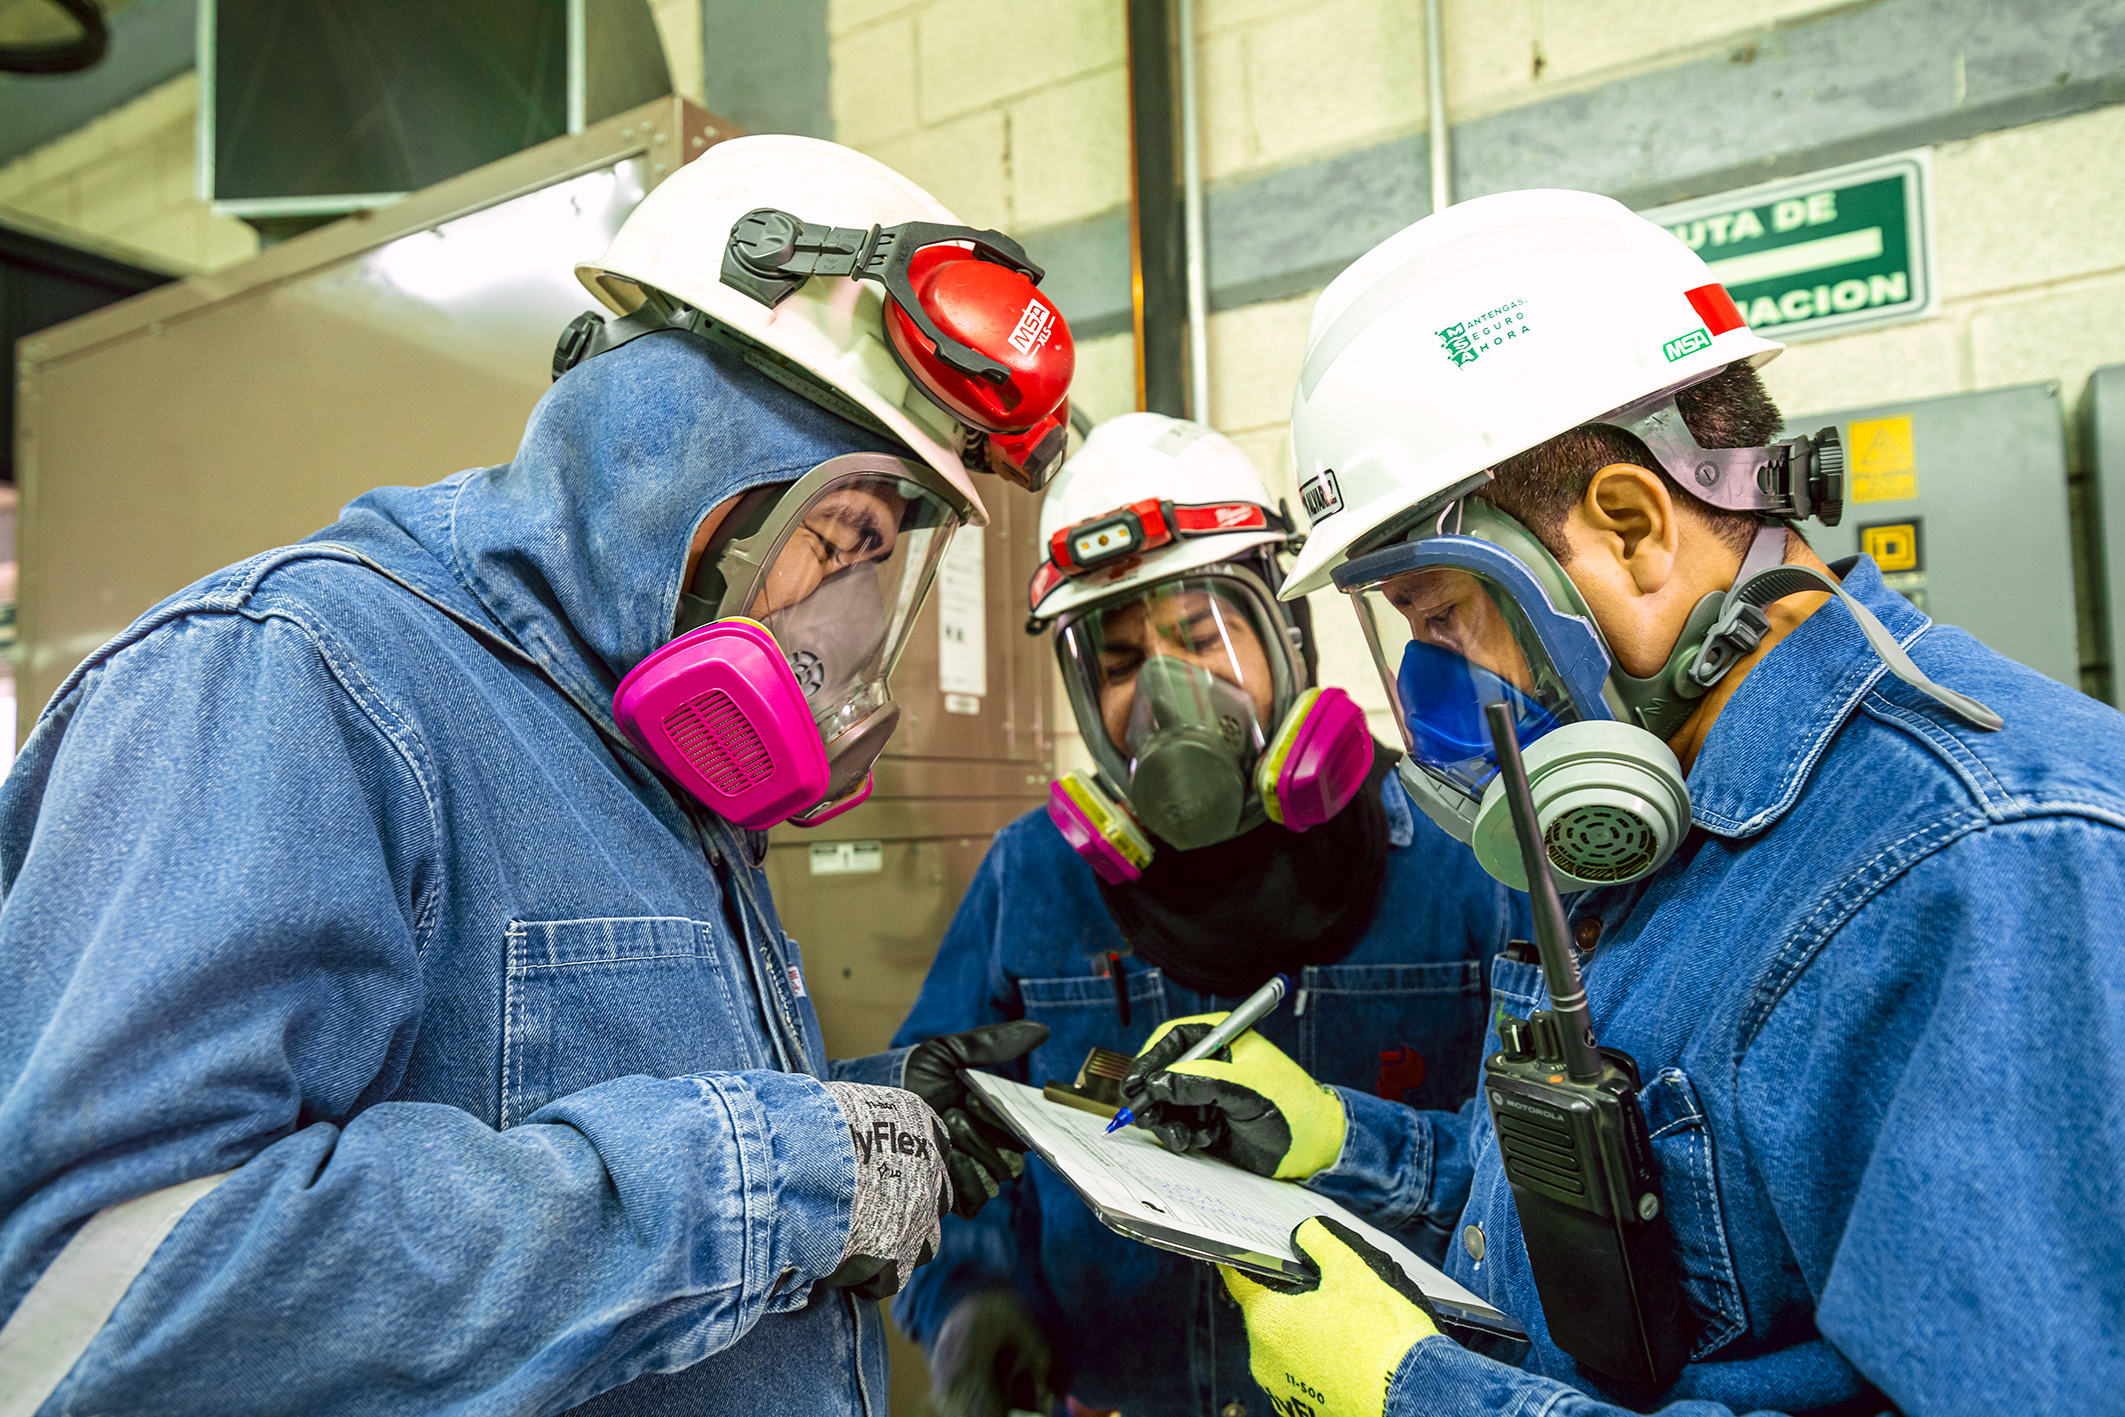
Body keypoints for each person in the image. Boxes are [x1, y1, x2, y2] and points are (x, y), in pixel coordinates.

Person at [0, 135, 1074, 1415]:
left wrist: (863, 1116)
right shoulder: (299, 676)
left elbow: (551, 1110)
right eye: (836, 539)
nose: (843, 633)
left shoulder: (653, 758)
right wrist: (794, 1170)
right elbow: (84, 1303)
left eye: (878, 568)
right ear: (670, 443)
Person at [1122, 188, 2125, 1417]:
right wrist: (1343, 1142)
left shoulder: (1982, 871)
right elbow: (1647, 1246)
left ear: (1634, 527)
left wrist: (1420, 1400)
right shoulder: (1648, 823)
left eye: (1442, 618)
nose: (1433, 692)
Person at [891, 413, 1528, 1417]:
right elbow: (938, 1130)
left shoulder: (1464, 860)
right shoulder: (1032, 874)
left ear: (1288, 633)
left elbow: (1524, 1185)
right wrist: (969, 1296)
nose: (1166, 695)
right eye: (1119, 662)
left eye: (1203, 636)